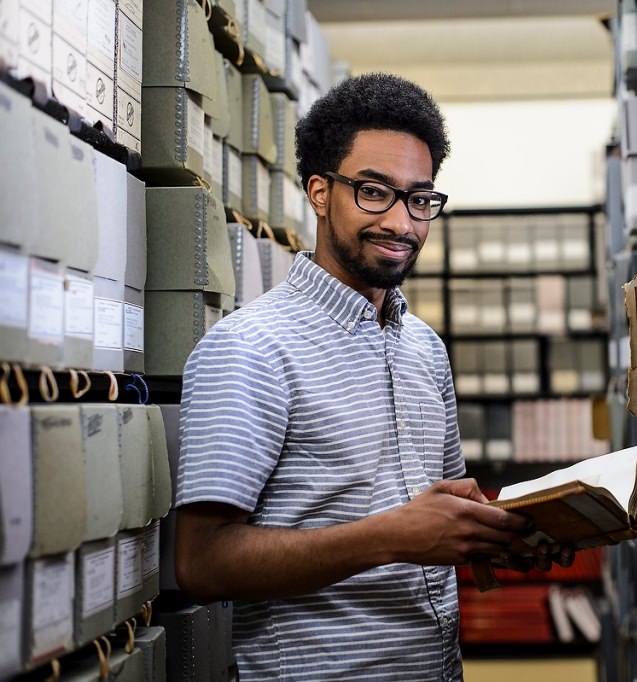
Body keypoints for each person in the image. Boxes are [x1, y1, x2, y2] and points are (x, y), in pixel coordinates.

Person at [173, 73, 567, 681]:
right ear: (319, 191)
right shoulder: (249, 348)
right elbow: (202, 563)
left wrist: (503, 539)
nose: (402, 223)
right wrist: (392, 537)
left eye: (419, 199)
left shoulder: (424, 349)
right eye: (374, 192)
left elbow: (442, 515)